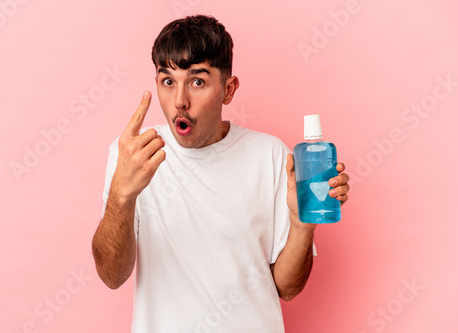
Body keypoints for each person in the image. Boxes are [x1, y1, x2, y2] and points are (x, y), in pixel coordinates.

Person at [92, 15, 350, 332]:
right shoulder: (132, 154)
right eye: (168, 81)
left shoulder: (270, 155)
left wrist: (301, 224)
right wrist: (122, 194)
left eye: (197, 82)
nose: (180, 102)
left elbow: (287, 288)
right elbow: (111, 276)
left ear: (228, 89)